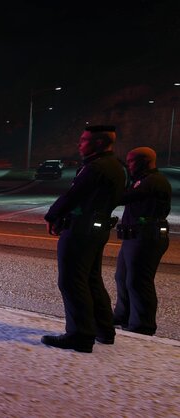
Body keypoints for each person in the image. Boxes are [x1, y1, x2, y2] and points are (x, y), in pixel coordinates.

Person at [42, 125, 125, 353]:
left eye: (84, 140)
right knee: (91, 279)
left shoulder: (96, 167)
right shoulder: (117, 167)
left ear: (98, 143)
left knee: (72, 281)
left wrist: (52, 214)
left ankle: (79, 335)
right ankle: (104, 330)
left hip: (81, 230)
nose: (79, 144)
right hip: (97, 229)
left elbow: (74, 195)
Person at [113, 147, 171, 336]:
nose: (128, 165)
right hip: (135, 236)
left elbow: (124, 197)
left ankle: (143, 325)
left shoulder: (153, 181)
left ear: (144, 161)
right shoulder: (143, 180)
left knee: (138, 281)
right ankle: (123, 316)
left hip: (146, 238)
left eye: (131, 161)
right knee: (122, 277)